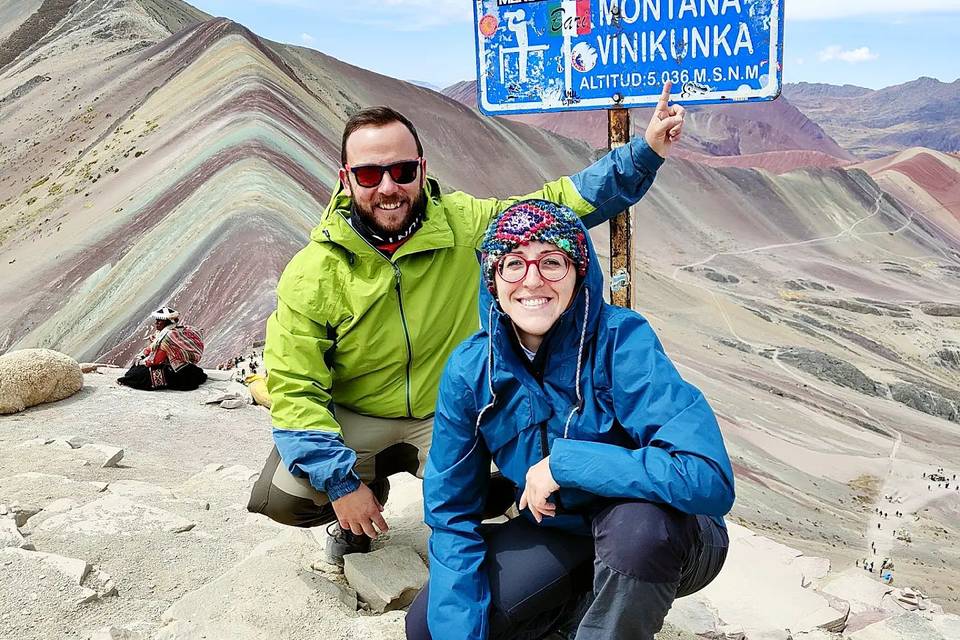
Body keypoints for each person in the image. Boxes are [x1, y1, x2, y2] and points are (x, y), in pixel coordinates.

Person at [247, 84, 688, 565]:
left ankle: (507, 548)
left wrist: (644, 154)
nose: (388, 187)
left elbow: (559, 206)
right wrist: (340, 482)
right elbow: (294, 385)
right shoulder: (313, 271)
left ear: (422, 168)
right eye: (370, 174)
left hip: (450, 412)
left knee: (515, 475)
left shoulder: (464, 223)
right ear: (346, 179)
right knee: (284, 495)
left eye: (402, 170)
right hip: (357, 415)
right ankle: (357, 502)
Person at [407, 200, 735, 640]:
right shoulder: (472, 369)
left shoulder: (622, 340)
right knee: (431, 626)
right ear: (493, 279)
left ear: (579, 271)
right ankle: (576, 614)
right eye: (513, 264)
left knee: (637, 533)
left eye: (552, 262)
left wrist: (565, 464)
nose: (532, 280)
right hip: (565, 531)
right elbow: (451, 511)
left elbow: (707, 478)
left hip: (669, 535)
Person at [117, 307, 207, 391]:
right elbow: (152, 347)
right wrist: (143, 354)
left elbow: (156, 361)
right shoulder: (175, 330)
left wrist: (142, 361)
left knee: (137, 375)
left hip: (178, 372)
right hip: (186, 367)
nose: (156, 323)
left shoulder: (167, 337)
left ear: (167, 322)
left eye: (159, 321)